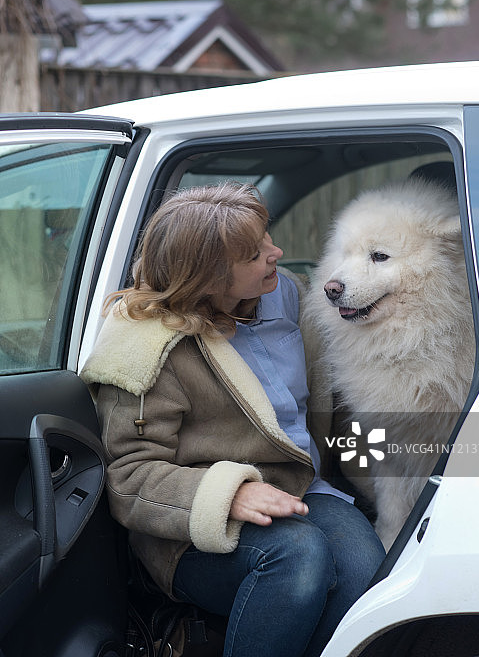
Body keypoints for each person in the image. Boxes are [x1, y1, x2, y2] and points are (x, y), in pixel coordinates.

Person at [80, 182, 385, 657]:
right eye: (254, 253)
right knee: (298, 556)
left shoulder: (285, 293)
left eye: (267, 237)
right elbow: (129, 477)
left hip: (299, 487)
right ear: (210, 276)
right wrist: (228, 495)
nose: (276, 252)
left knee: (364, 565)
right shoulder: (142, 346)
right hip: (190, 528)